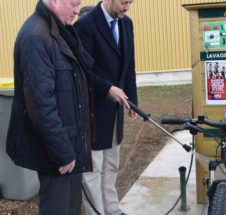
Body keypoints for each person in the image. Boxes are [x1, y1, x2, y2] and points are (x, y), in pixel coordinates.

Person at [6, 0, 95, 214]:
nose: (77, 10)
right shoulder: (36, 37)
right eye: (74, 4)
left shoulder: (61, 31)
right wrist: (63, 153)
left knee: (71, 208)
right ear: (54, 1)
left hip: (70, 145)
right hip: (58, 152)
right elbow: (40, 104)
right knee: (58, 209)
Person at [74, 0, 138, 214]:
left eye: (130, 2)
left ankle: (112, 209)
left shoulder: (127, 24)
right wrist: (107, 88)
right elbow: (82, 70)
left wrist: (133, 103)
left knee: (111, 164)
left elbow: (129, 67)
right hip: (93, 111)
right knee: (94, 168)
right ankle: (97, 212)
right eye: (124, 2)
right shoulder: (85, 25)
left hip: (115, 112)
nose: (127, 7)